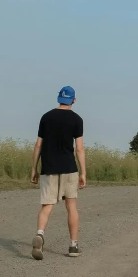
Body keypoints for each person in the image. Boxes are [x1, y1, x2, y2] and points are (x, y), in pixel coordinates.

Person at [30, 85, 86, 260]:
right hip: (69, 167)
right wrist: (83, 172)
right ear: (74, 100)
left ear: (58, 99)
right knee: (71, 207)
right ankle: (73, 245)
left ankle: (39, 234)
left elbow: (38, 144)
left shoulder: (46, 117)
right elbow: (79, 148)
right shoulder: (77, 119)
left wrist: (34, 168)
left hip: (49, 167)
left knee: (46, 206)